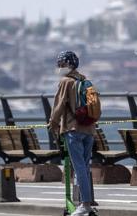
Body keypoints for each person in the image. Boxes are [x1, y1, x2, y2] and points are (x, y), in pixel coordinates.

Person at [48, 51, 96, 216]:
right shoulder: (85, 80)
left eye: (61, 65)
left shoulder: (66, 82)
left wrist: (53, 123)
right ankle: (84, 204)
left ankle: (85, 205)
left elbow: (59, 105)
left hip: (73, 130)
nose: (59, 68)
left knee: (79, 168)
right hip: (89, 130)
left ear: (68, 65)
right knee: (84, 166)